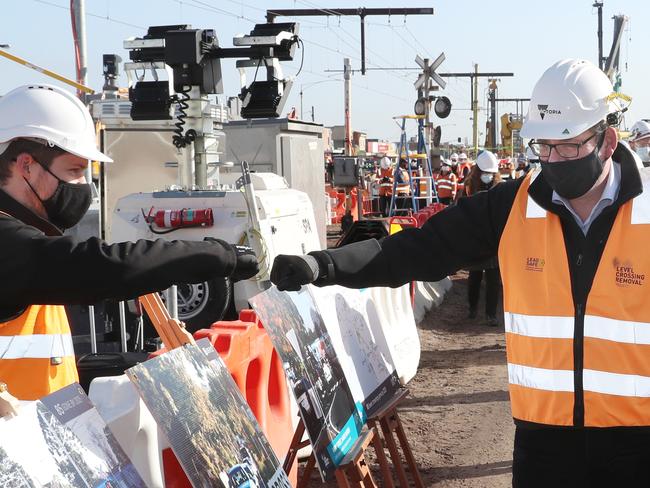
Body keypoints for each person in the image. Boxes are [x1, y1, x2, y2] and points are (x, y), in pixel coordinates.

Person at [270, 59, 649, 487]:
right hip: (544, 447)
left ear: (606, 141)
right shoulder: (512, 207)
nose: (552, 160)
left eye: (566, 147)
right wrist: (325, 265)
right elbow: (420, 249)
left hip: (637, 447)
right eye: (542, 148)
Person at [0, 84, 259, 400]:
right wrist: (216, 255)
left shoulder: (22, 236)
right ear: (26, 165)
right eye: (75, 171)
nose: (85, 189)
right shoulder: (8, 243)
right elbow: (95, 266)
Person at [463, 150, 502, 326]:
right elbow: (461, 210)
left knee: (494, 281)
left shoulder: (499, 187)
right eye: (485, 173)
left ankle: (491, 314)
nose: (488, 176)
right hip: (475, 240)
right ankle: (472, 309)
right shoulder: (469, 186)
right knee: (475, 277)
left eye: (490, 173)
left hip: (493, 242)